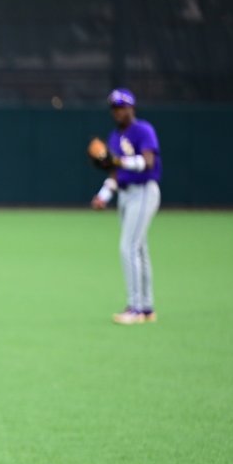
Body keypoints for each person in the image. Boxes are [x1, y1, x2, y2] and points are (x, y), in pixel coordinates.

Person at [90, 88, 162, 325]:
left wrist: (118, 160)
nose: (118, 112)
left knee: (128, 247)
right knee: (139, 249)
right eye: (114, 108)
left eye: (122, 107)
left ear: (132, 108)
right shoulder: (114, 137)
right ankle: (146, 308)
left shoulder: (143, 130)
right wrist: (103, 196)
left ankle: (135, 308)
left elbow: (148, 162)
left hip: (143, 191)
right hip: (125, 194)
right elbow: (115, 172)